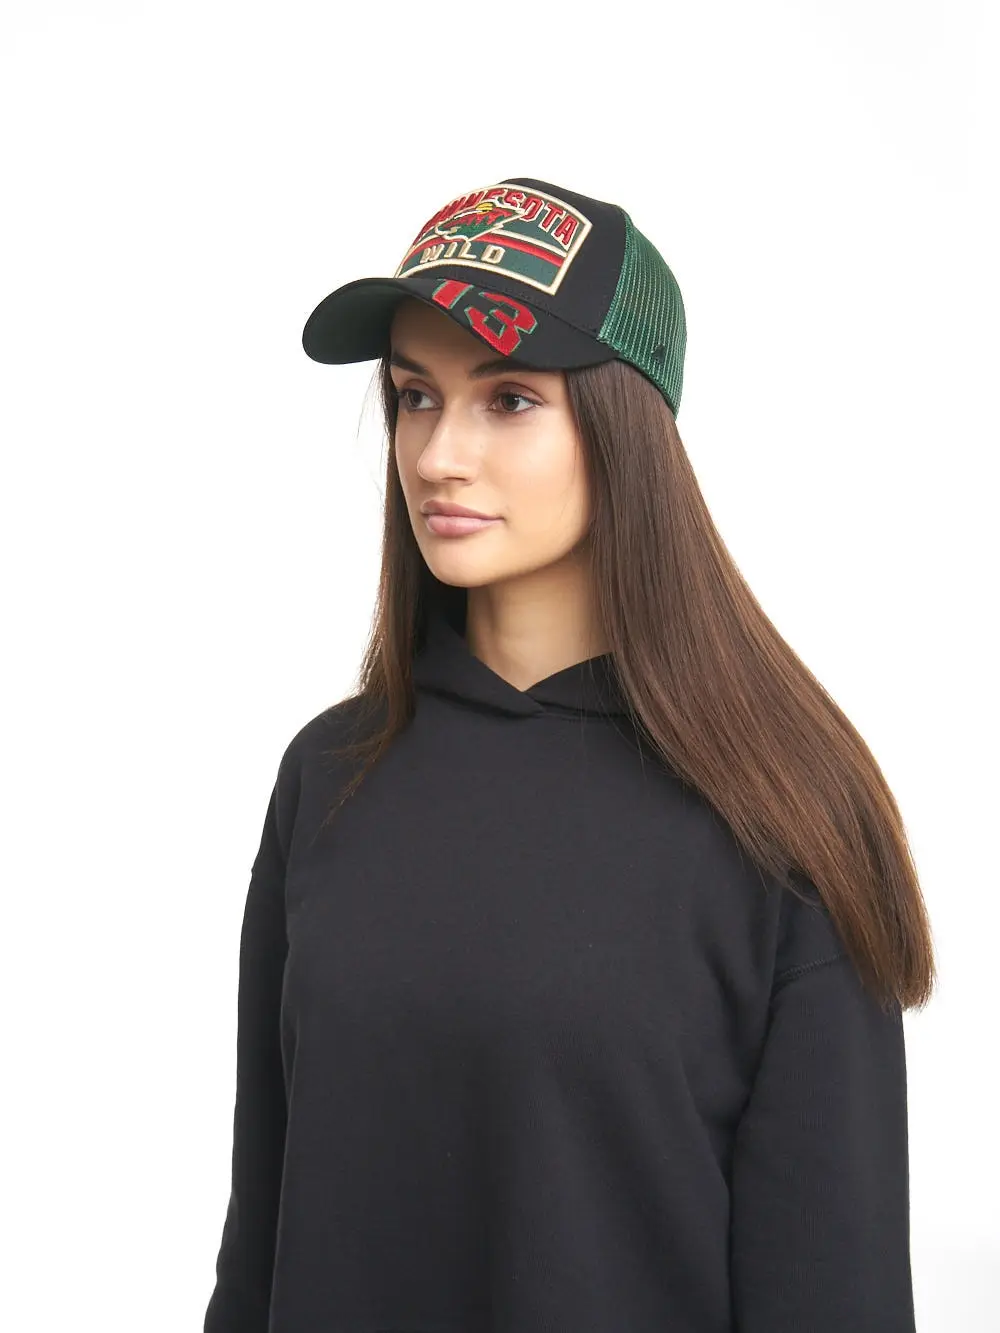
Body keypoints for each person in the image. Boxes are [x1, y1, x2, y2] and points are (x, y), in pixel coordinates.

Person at [202, 176, 935, 1333]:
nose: (437, 454)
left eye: (507, 398)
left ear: (621, 423)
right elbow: (261, 1246)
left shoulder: (780, 815)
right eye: (414, 395)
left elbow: (833, 1293)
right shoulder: (329, 778)